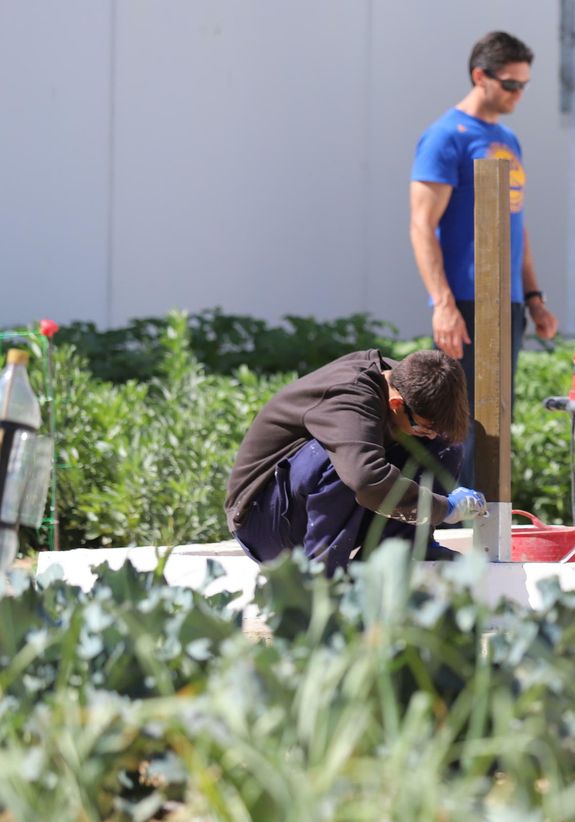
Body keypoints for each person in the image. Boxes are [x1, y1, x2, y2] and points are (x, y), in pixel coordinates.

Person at [410, 30, 558, 484]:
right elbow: (421, 224)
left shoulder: (509, 139)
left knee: (494, 424)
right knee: (454, 423)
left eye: (524, 85)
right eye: (511, 84)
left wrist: (533, 297)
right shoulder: (444, 136)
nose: (518, 94)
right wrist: (443, 303)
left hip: (506, 302)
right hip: (465, 302)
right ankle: (441, 517)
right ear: (480, 76)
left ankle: (484, 518)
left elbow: (517, 224)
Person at [225, 349, 485, 571]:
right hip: (263, 522)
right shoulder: (350, 398)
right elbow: (365, 480)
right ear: (396, 404)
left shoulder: (408, 382)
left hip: (307, 505)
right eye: (424, 426)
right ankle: (322, 577)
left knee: (444, 447)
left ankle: (397, 554)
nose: (429, 433)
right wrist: (443, 509)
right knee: (345, 461)